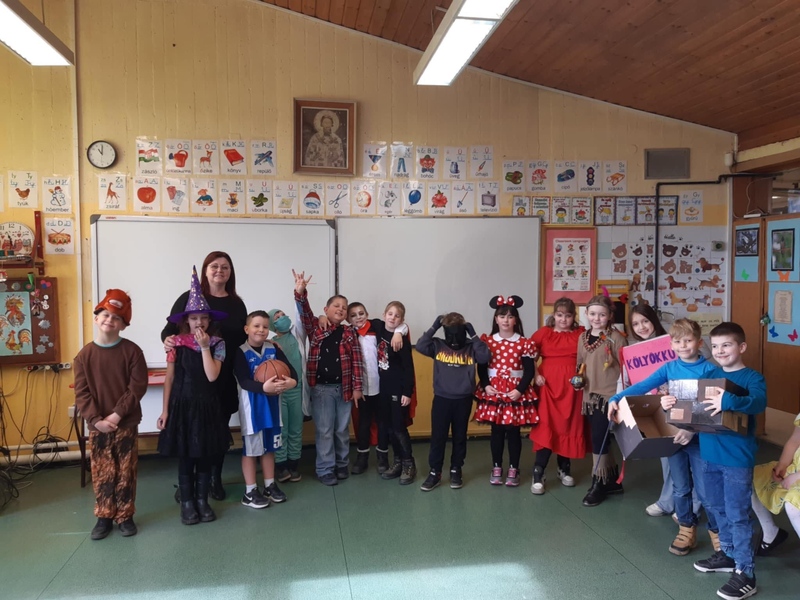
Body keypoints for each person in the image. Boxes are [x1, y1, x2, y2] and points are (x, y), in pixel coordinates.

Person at [609, 318, 717, 555]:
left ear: (699, 343)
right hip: (673, 439)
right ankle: (686, 529)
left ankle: (718, 533)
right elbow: (642, 386)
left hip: (700, 439)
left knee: (706, 490)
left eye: (688, 341)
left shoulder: (710, 370)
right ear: (671, 344)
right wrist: (615, 398)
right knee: (680, 487)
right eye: (677, 342)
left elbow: (712, 408)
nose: (683, 346)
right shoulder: (670, 368)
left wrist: (691, 429)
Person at [162, 251, 247, 501]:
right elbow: (169, 332)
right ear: (205, 270)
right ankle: (188, 485)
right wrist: (168, 341)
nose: (220, 270)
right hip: (190, 381)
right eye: (214, 266)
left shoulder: (236, 303)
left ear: (231, 272)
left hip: (222, 375)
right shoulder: (188, 298)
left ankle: (214, 479)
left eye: (225, 267)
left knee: (217, 432)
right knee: (190, 432)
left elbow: (245, 335)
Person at [692, 322, 766, 600]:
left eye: (727, 345)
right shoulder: (710, 373)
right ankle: (728, 554)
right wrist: (671, 402)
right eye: (715, 346)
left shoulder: (752, 378)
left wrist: (728, 401)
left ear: (741, 347)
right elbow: (693, 403)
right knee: (715, 507)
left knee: (737, 514)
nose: (720, 351)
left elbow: (757, 403)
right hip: (709, 453)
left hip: (736, 458)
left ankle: (746, 573)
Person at [157, 268, 232, 525]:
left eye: (203, 318)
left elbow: (212, 376)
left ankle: (202, 500)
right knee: (186, 456)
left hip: (208, 406)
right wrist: (165, 410)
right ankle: (187, 503)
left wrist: (204, 347)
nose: (198, 322)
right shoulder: (175, 343)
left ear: (209, 320)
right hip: (182, 405)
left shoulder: (218, 344)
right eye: (193, 318)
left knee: (206, 455)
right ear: (186, 320)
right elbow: (169, 378)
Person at [74, 290, 148, 540]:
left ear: (124, 325)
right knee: (103, 470)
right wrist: (97, 420)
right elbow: (82, 393)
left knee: (126, 469)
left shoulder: (133, 352)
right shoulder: (84, 356)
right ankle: (104, 516)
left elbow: (136, 388)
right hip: (98, 426)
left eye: (117, 317)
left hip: (125, 422)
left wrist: (115, 416)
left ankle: (125, 515)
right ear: (96, 318)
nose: (110, 320)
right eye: (105, 315)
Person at [627, 305, 700, 520]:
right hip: (657, 407)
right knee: (668, 455)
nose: (641, 327)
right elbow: (637, 382)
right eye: (635, 323)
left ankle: (693, 504)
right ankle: (669, 500)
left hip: (686, 407)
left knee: (693, 459)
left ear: (654, 320)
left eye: (645, 321)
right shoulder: (634, 350)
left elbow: (698, 364)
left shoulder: (675, 341)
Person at [293, 269, 364, 486]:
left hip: (344, 389)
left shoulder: (349, 332)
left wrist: (357, 387)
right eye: (336, 306)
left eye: (344, 307)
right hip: (321, 389)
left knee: (341, 430)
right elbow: (305, 312)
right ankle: (325, 469)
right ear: (326, 309)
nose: (341, 309)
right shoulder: (316, 326)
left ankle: (341, 464)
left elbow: (357, 361)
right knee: (324, 431)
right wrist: (300, 292)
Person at [416, 312, 490, 491]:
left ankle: (456, 469)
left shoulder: (471, 347)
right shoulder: (437, 345)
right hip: (442, 398)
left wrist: (473, 334)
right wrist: (434, 326)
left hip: (463, 399)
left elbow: (485, 357)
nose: (454, 339)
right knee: (438, 437)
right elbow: (420, 346)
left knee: (459, 436)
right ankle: (435, 472)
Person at [234, 311, 297, 509]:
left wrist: (291, 382)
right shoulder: (240, 352)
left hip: (273, 408)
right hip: (252, 410)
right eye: (256, 326)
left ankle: (269, 485)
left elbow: (292, 372)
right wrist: (264, 387)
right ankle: (250, 491)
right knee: (251, 451)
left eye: (265, 327)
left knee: (270, 448)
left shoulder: (273, 348)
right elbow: (244, 381)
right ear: (247, 329)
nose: (261, 330)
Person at [474, 295, 538, 487]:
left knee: (513, 431)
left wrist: (519, 390)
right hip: (494, 391)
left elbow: (529, 370)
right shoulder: (488, 341)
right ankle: (496, 467)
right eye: (502, 316)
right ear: (496, 319)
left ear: (516, 320)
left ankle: (513, 468)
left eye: (510, 317)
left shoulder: (524, 343)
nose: (506, 320)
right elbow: (481, 367)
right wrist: (486, 385)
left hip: (515, 392)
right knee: (496, 431)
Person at [529, 297, 587, 495]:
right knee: (546, 426)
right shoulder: (544, 333)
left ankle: (564, 468)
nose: (563, 319)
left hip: (572, 389)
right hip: (548, 387)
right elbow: (528, 356)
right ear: (554, 315)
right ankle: (538, 472)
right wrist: (535, 375)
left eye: (568, 316)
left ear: (574, 317)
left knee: (568, 425)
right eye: (560, 315)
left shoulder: (581, 334)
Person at [576, 294, 627, 507]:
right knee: (600, 438)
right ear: (586, 314)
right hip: (590, 396)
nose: (597, 318)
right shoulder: (583, 337)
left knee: (599, 438)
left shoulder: (617, 338)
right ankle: (611, 480)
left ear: (609, 316)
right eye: (593, 314)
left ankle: (598, 481)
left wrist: (620, 397)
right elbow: (581, 363)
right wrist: (577, 379)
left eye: (602, 314)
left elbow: (625, 369)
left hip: (609, 397)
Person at [347, 302, 405, 475]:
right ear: (348, 319)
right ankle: (362, 457)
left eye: (361, 313)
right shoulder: (348, 333)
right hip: (361, 387)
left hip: (382, 386)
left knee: (382, 423)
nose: (358, 317)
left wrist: (398, 333)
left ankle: (382, 457)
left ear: (367, 313)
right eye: (353, 315)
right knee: (363, 423)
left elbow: (402, 325)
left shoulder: (377, 326)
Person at [267, 308, 308, 483]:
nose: (282, 317)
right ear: (272, 324)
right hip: (280, 392)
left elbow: (303, 312)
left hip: (297, 390)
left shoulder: (297, 334)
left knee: (296, 429)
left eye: (283, 314)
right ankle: (281, 465)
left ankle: (293, 464)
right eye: (277, 317)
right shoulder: (271, 343)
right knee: (281, 430)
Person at [751, 412, 800, 556]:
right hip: (796, 467)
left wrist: (797, 476)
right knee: (753, 479)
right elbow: (795, 440)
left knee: (793, 505)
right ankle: (770, 532)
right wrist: (782, 464)